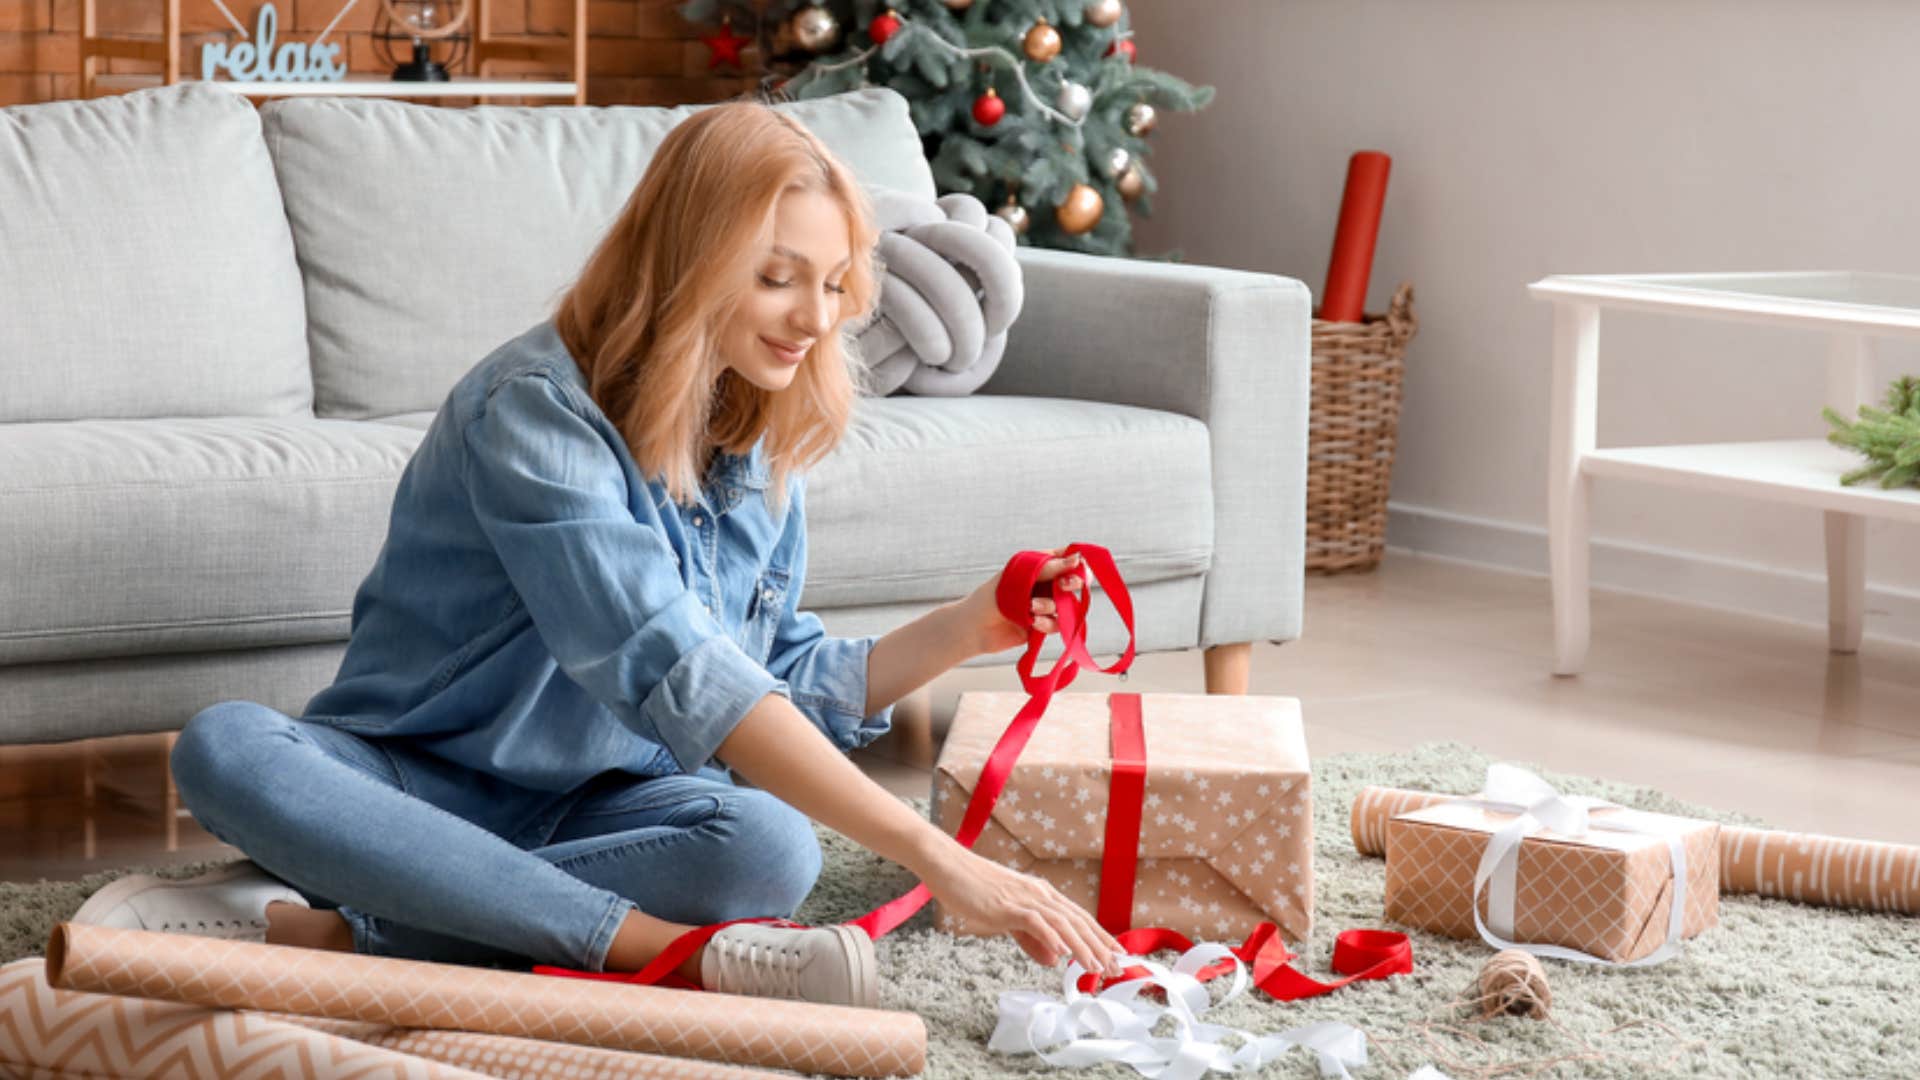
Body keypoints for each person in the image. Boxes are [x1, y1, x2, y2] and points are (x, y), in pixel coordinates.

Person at [71, 100, 1125, 1008]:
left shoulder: (754, 423)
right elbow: (683, 674)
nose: (813, 319)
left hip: (597, 805)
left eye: (836, 283)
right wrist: (939, 859)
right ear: (692, 260)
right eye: (776, 278)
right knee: (225, 748)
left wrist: (971, 624)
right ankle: (656, 953)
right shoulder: (532, 411)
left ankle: (363, 930)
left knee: (771, 846)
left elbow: (771, 678)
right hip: (412, 779)